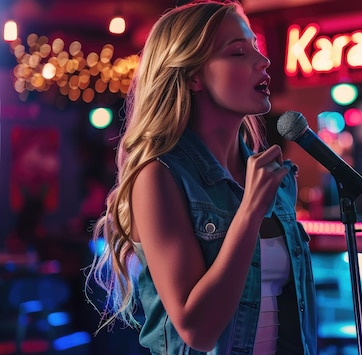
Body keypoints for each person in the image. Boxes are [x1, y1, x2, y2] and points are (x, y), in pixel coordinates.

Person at [84, 1, 317, 354]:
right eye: (238, 52)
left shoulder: (271, 176)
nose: (263, 61)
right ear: (193, 75)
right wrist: (250, 212)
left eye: (256, 47)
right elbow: (198, 330)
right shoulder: (158, 176)